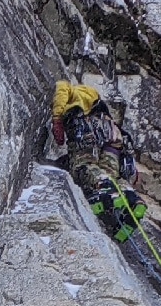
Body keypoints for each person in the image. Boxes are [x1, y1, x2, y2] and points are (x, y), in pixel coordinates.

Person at [49, 80, 140, 240]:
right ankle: (129, 195)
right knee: (110, 172)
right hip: (112, 134)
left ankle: (103, 185)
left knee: (84, 166)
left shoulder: (77, 92)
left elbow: (62, 86)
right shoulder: (100, 105)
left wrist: (57, 118)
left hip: (88, 128)